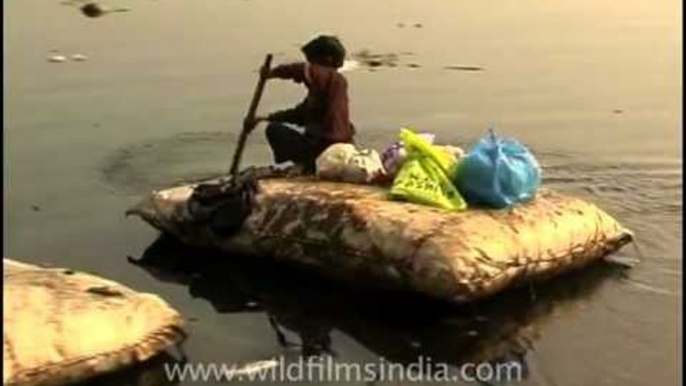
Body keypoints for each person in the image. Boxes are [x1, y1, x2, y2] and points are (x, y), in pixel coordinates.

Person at [249, 35, 356, 173]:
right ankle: (307, 165)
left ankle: (307, 166)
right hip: (334, 148)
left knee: (274, 130)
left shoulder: (332, 78)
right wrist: (263, 118)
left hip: (325, 147)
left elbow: (302, 70)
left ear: (327, 60)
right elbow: (299, 115)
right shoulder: (324, 91)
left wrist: (273, 73)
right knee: (274, 127)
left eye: (312, 62)